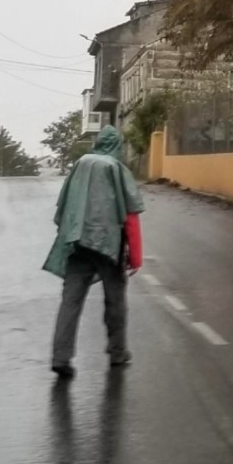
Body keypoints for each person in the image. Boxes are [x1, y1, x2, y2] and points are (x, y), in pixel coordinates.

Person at [43, 124, 143, 377]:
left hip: (77, 243)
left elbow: (64, 205)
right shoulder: (116, 168)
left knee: (71, 300)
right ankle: (117, 352)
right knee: (115, 300)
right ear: (117, 145)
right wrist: (136, 257)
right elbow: (130, 216)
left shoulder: (80, 164)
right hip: (108, 246)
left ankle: (60, 356)